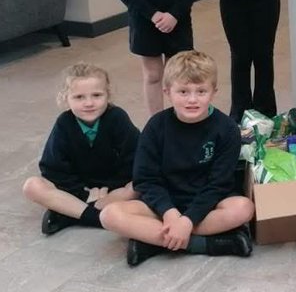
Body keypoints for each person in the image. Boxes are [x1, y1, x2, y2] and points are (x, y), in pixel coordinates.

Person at [100, 50, 254, 266]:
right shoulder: (155, 126)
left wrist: (188, 220)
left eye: (201, 91)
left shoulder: (227, 129)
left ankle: (153, 243)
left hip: (208, 204)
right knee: (109, 215)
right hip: (164, 204)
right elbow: (145, 179)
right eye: (183, 91)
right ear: (167, 92)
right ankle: (205, 244)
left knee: (244, 208)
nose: (192, 99)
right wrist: (170, 213)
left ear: (214, 92)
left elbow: (219, 184)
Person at [22, 63, 139, 236]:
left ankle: (69, 213)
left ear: (108, 94)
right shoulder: (64, 123)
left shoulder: (117, 117)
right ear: (65, 98)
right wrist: (82, 192)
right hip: (78, 191)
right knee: (32, 186)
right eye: (79, 97)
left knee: (140, 186)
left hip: (115, 190)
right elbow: (52, 167)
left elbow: (137, 157)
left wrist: (111, 188)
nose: (89, 103)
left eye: (97, 95)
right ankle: (95, 217)